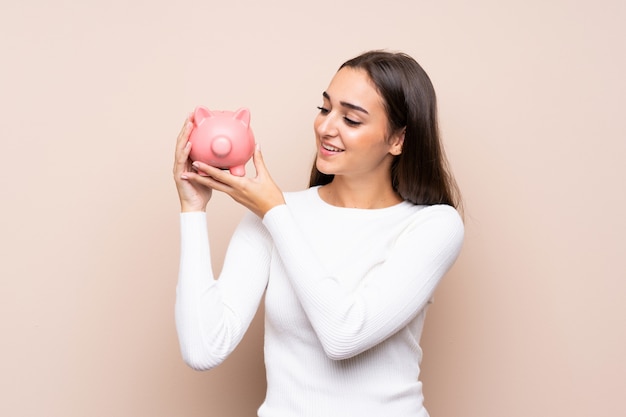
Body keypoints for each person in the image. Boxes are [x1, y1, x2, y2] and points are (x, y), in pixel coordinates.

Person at [172, 50, 464, 417]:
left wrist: (275, 212)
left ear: (399, 140)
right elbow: (203, 349)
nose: (326, 127)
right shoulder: (271, 214)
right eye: (325, 109)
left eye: (352, 119)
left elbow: (344, 335)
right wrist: (193, 210)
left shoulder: (433, 225)